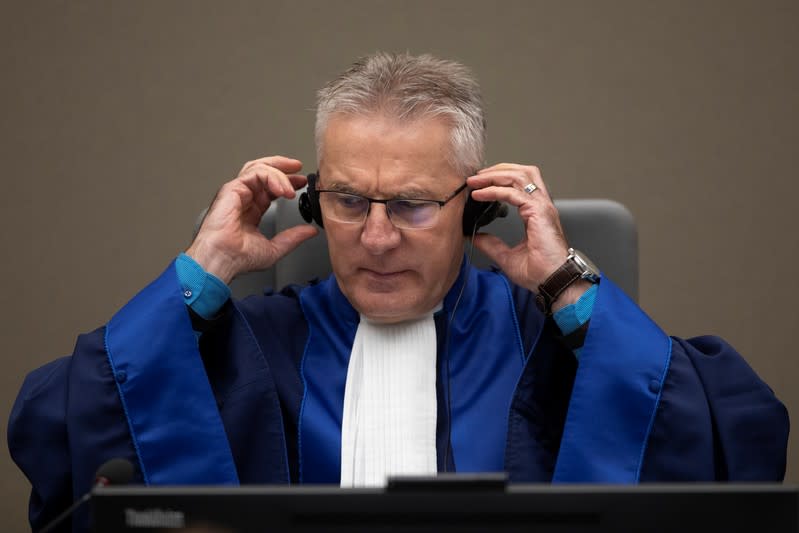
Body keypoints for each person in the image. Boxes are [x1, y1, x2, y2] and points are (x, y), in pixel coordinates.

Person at [9, 52, 789, 532]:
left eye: (413, 204)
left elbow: (736, 446)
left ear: (476, 204)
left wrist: (565, 285)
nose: (376, 237)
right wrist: (202, 268)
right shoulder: (243, 344)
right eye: (349, 200)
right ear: (314, 200)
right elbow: (60, 434)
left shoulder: (549, 340)